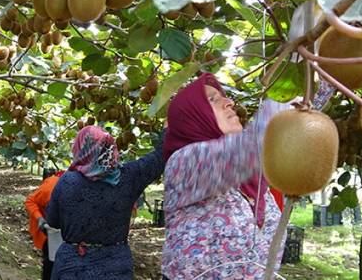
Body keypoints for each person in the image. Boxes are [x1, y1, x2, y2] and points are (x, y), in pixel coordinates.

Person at [160, 72, 288, 279]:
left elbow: (299, 121)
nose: (229, 102)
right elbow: (255, 144)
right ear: (193, 116)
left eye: (224, 96)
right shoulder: (183, 164)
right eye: (213, 99)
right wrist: (288, 89)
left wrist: (319, 69)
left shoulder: (251, 180)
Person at [45, 125, 165, 279]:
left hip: (73, 266)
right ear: (111, 148)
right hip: (115, 267)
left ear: (81, 148)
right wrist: (170, 124)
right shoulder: (129, 177)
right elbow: (160, 157)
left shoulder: (67, 182)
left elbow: (52, 221)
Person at [25, 168, 64, 280]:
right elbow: (30, 201)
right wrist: (40, 218)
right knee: (50, 264)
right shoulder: (51, 187)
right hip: (51, 232)